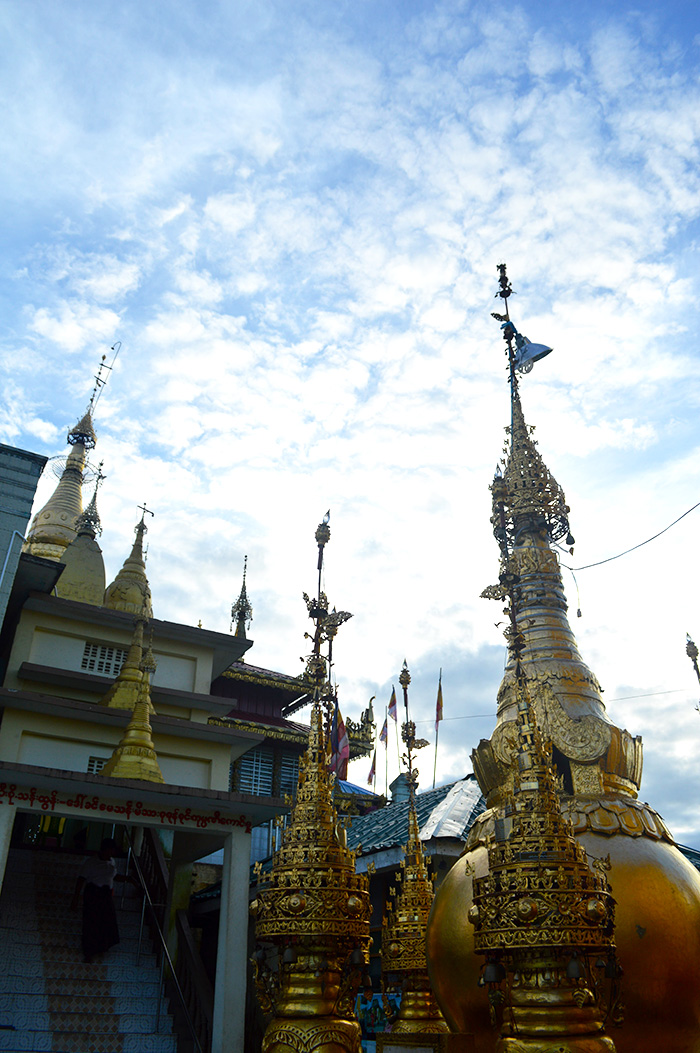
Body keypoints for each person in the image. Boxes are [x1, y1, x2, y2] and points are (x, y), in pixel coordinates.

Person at [71, 837, 134, 963]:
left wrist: (128, 879)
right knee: (91, 923)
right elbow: (81, 879)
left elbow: (113, 876)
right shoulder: (91, 862)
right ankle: (89, 952)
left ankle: (102, 946)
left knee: (107, 922)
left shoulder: (112, 862)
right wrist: (76, 898)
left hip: (106, 895)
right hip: (93, 893)